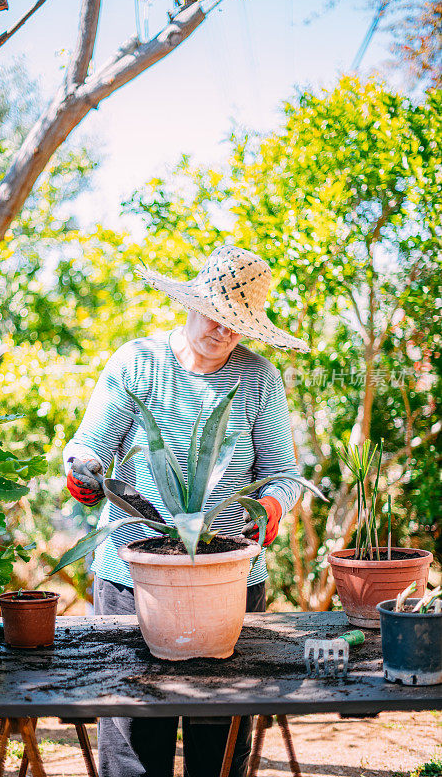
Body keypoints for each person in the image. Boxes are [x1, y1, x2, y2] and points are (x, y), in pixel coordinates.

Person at [63, 243, 308, 777]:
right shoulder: (138, 362)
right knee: (132, 735)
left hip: (226, 579)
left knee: (218, 741)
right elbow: (91, 445)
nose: (225, 332)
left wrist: (268, 507)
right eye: (219, 317)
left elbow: (284, 474)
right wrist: (82, 471)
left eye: (238, 325)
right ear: (193, 303)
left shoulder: (257, 377)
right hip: (134, 579)